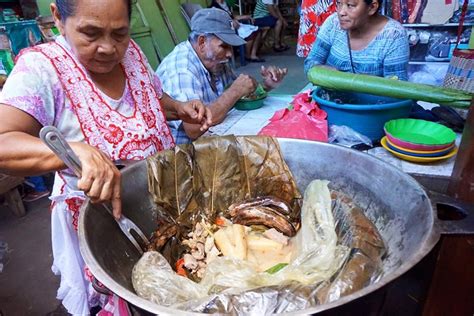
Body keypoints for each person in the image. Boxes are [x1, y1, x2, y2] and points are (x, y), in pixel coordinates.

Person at [0, 0, 211, 314]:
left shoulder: (133, 53)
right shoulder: (41, 68)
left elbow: (150, 97)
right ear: (58, 17)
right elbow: (4, 142)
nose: (108, 48)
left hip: (162, 206)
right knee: (128, 295)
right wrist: (73, 153)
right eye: (90, 33)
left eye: (119, 33)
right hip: (107, 225)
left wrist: (178, 108)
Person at [156, 8, 288, 144]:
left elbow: (243, 95)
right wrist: (234, 91)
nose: (230, 54)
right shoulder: (182, 71)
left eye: (231, 47)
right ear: (202, 42)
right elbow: (194, 128)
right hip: (185, 154)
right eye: (224, 46)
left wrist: (266, 85)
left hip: (212, 142)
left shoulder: (213, 59)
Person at [304, 0, 409, 80]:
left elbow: (396, 86)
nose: (341, 12)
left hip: (374, 106)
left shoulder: (394, 35)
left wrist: (344, 81)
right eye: (339, 3)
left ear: (372, 7)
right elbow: (310, 63)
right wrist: (322, 70)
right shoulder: (333, 23)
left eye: (350, 5)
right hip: (330, 101)